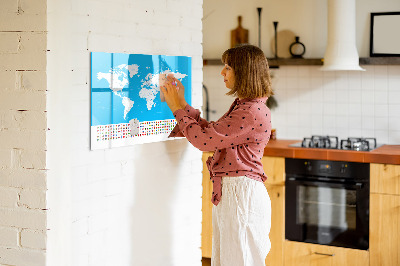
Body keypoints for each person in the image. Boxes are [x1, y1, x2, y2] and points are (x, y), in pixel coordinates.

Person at [161, 44, 273, 266]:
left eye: (228, 67)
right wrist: (182, 104)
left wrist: (176, 108)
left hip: (241, 195)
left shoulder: (250, 111)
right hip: (236, 193)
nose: (222, 72)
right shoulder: (246, 106)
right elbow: (212, 133)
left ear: (244, 72)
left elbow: (204, 141)